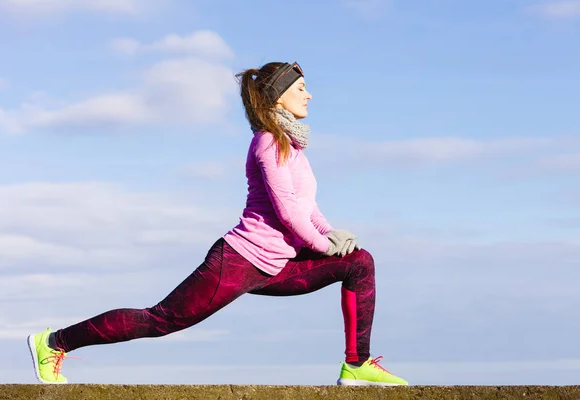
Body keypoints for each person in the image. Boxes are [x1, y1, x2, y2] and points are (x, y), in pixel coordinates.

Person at [27, 61, 408, 386]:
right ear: (279, 96)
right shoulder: (267, 142)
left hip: (276, 266)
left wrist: (330, 234)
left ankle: (356, 364)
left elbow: (306, 208)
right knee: (161, 320)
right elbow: (287, 213)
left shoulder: (292, 147)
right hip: (239, 262)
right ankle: (54, 342)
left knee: (360, 262)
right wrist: (323, 247)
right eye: (302, 88)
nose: (309, 96)